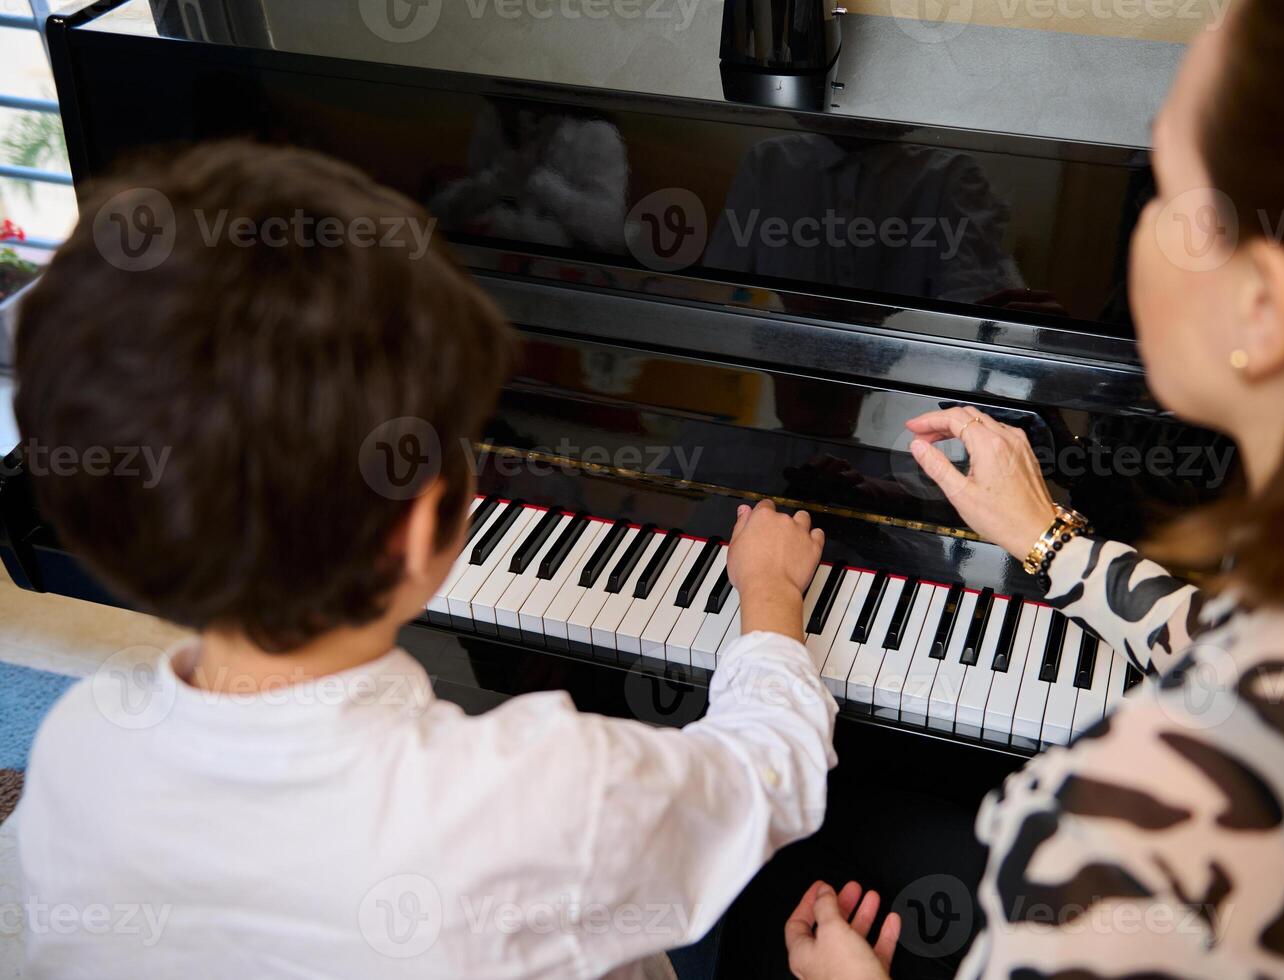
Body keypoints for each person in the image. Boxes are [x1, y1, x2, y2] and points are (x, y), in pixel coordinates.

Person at [11, 140, 836, 979]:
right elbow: (769, 779)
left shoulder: (76, 753)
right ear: (414, 532)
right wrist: (768, 599)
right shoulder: (534, 799)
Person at [783, 1, 1284, 977]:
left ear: (1263, 307)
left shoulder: (1134, 848)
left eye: (1160, 188)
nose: (1138, 232)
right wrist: (1054, 540)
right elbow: (1243, 656)